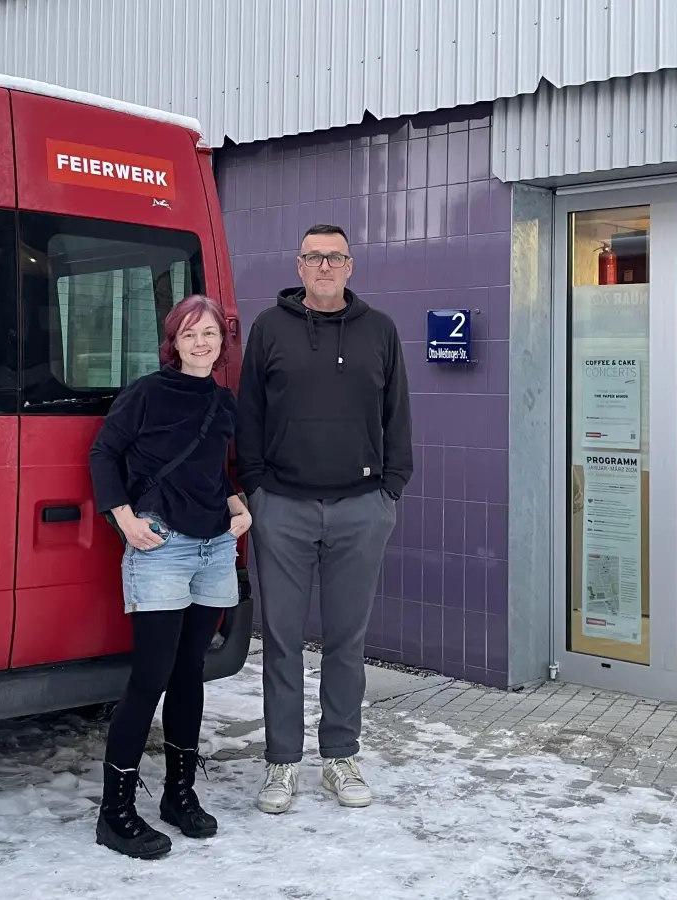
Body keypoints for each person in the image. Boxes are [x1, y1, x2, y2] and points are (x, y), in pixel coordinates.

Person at [237, 223, 412, 814]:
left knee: (346, 642)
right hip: (281, 508)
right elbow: (250, 414)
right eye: (313, 257)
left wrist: (390, 492)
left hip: (360, 508)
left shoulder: (380, 331)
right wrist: (257, 488)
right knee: (282, 643)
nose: (324, 265)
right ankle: (282, 764)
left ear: (351, 266)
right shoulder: (269, 329)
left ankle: (340, 755)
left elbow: (398, 416)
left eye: (335, 257)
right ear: (299, 265)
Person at [88, 295, 251, 859]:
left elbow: (217, 471)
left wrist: (239, 506)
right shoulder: (147, 393)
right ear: (173, 343)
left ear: (220, 342)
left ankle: (178, 796)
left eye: (208, 334)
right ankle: (116, 813)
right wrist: (124, 518)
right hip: (162, 546)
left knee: (190, 674)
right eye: (189, 335)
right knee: (149, 679)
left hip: (214, 548)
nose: (200, 343)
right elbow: (104, 454)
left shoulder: (223, 402)